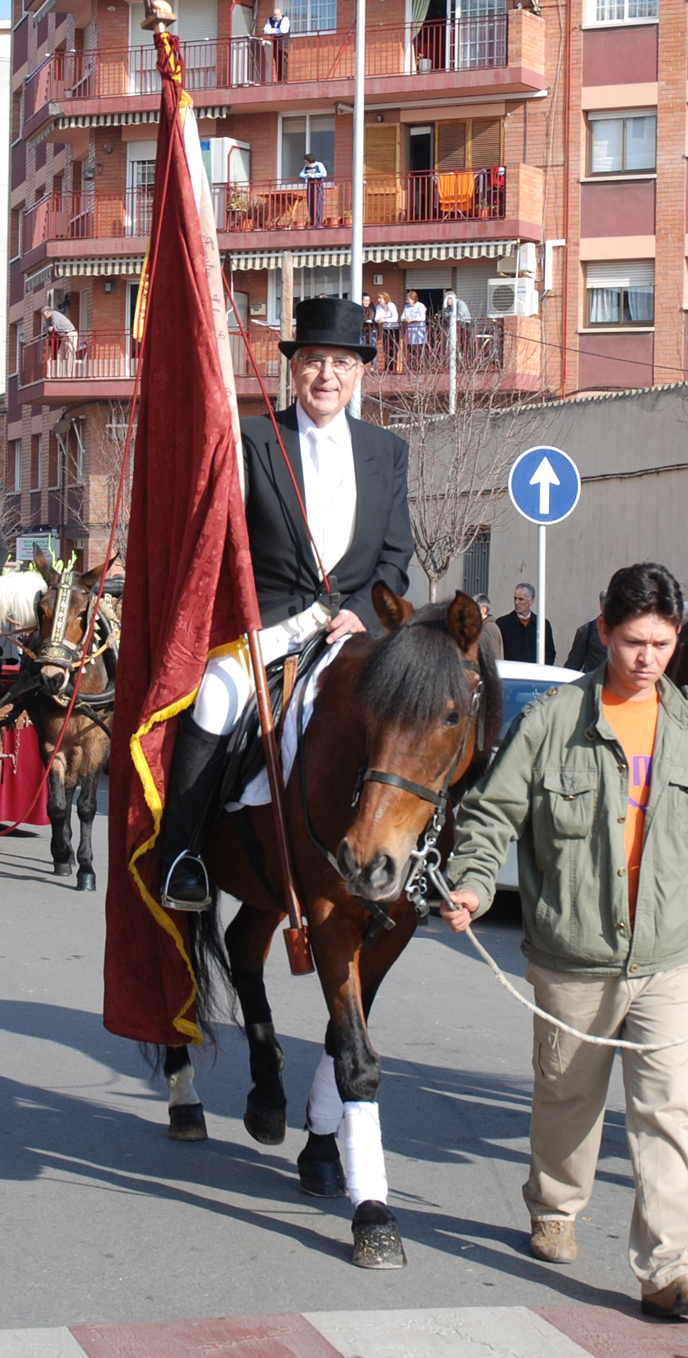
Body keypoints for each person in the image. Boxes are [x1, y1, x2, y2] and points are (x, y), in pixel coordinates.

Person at [441, 563, 688, 1321]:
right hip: (574, 955)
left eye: (662, 644)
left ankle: (671, 1265)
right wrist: (472, 883)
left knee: (666, 1112)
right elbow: (491, 812)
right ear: (604, 630)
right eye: (634, 641)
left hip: (669, 958)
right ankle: (554, 1203)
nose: (647, 658)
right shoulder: (552, 721)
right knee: (568, 1098)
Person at [154, 295, 414, 911]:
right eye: (314, 360)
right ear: (294, 368)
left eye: (342, 363)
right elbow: (219, 542)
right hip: (266, 625)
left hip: (352, 628)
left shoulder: (388, 451)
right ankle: (182, 856)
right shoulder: (250, 439)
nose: (327, 375)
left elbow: (396, 556)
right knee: (216, 698)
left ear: (360, 372)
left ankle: (414, 854)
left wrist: (364, 610)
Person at [496, 581, 557, 665]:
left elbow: (549, 653)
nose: (516, 602)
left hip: (536, 672)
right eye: (515, 598)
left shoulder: (542, 624)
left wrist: (542, 669)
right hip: (511, 671)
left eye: (521, 599)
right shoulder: (502, 624)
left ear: (531, 601)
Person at [565, 590, 608, 673]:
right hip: (594, 680)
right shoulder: (587, 631)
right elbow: (572, 666)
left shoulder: (625, 631)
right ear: (602, 606)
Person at [371, 290, 399, 373]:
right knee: (386, 348)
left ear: (385, 298)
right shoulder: (378, 307)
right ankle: (387, 367)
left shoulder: (391, 305)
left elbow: (395, 318)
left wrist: (384, 320)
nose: (379, 300)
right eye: (378, 298)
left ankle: (393, 367)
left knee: (393, 348)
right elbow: (376, 318)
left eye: (380, 298)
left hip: (394, 329)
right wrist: (379, 320)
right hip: (385, 329)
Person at [300, 151, 330, 229]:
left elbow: (324, 173)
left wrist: (313, 175)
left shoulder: (319, 165)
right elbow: (301, 174)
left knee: (318, 204)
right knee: (310, 204)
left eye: (306, 162)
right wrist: (307, 175)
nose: (305, 164)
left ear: (310, 162)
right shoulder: (306, 167)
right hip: (310, 186)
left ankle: (319, 222)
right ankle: (313, 222)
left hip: (318, 186)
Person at [400, 292, 427, 370]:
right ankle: (412, 366)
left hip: (419, 332)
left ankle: (421, 367)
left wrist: (413, 319)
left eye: (408, 299)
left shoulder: (420, 306)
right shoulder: (406, 307)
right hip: (410, 332)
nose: (407, 301)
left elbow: (423, 318)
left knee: (420, 349)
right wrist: (405, 319)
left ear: (413, 299)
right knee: (411, 350)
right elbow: (402, 317)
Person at [262, 6, 290, 83]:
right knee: (277, 60)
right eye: (275, 15)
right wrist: (277, 31)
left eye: (278, 14)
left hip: (284, 43)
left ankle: (284, 80)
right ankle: (279, 80)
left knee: (283, 61)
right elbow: (265, 31)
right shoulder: (270, 19)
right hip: (275, 42)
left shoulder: (285, 19)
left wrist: (272, 30)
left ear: (281, 14)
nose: (276, 16)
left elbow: (283, 30)